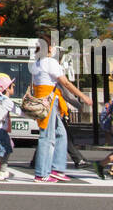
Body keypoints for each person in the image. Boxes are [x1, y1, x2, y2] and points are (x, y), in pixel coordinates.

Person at [29, 29, 92, 183]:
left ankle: (57, 169)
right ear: (49, 48)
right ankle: (42, 173)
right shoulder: (50, 62)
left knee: (61, 134)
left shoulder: (36, 63)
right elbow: (65, 82)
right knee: (47, 138)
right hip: (49, 101)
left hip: (44, 101)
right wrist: (82, 96)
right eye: (54, 46)